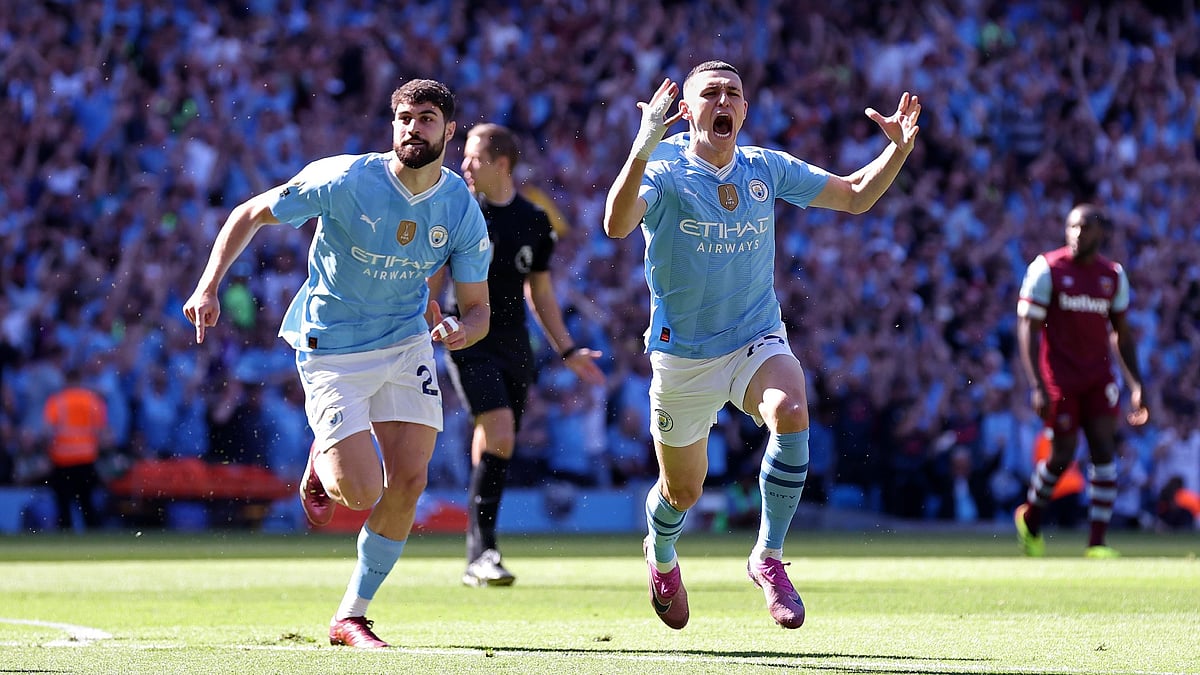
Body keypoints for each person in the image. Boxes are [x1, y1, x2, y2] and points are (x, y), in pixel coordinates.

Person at [603, 61, 920, 629]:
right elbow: (616, 223)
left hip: (755, 337)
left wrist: (895, 151)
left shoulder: (763, 167)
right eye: (711, 93)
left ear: (744, 111)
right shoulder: (666, 166)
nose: (723, 100)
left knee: (793, 410)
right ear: (686, 110)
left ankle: (768, 557)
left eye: (734, 94)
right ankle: (662, 551)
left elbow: (852, 196)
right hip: (684, 357)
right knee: (683, 490)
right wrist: (642, 145)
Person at [183, 79, 493, 649]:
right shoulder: (346, 178)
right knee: (361, 494)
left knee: (411, 481)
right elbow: (250, 213)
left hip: (404, 345)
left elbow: (479, 313)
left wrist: (455, 329)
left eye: (426, 119)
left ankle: (351, 614)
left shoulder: (460, 208)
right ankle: (323, 458)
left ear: (450, 131)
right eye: (404, 118)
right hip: (332, 349)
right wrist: (207, 287)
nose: (412, 128)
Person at [429, 122, 605, 587]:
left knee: (497, 440)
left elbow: (540, 292)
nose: (463, 164)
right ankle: (484, 551)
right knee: (501, 431)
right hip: (466, 333)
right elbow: (433, 273)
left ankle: (475, 553)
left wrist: (566, 349)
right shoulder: (459, 212)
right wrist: (421, 324)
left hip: (514, 342)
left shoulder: (534, 221)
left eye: (473, 156)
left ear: (501, 164)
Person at [1013, 203, 1149, 559]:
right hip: (1059, 378)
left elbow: (1121, 333)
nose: (1077, 234)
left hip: (1098, 376)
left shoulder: (1113, 275)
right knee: (1063, 455)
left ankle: (1097, 542)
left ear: (1100, 233)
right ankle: (1032, 518)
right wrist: (1037, 384)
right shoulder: (1048, 269)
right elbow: (1028, 328)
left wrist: (1136, 384)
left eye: (1085, 228)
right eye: (1072, 227)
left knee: (1104, 449)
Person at [41, 365, 111, 530]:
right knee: (87, 504)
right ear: (80, 380)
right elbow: (102, 432)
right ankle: (93, 541)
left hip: (62, 460)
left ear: (65, 380)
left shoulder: (57, 401)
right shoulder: (93, 400)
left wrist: (47, 452)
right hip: (86, 459)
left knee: (64, 505)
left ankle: (65, 541)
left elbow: (47, 431)